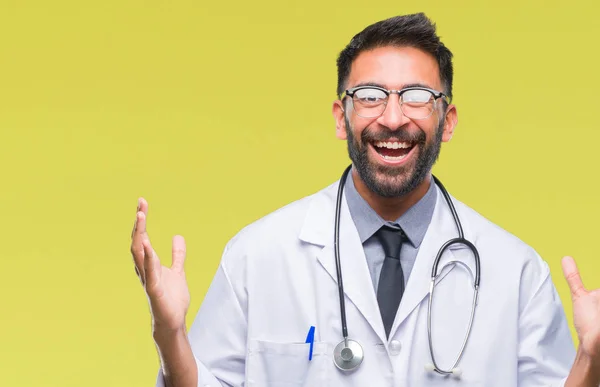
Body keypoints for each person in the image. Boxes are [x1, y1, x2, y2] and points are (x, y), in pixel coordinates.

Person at [130, 13, 600, 387]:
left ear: (449, 121)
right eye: (371, 96)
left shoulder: (516, 272)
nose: (392, 118)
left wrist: (591, 357)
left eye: (417, 96)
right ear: (341, 117)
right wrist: (169, 335)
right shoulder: (257, 255)